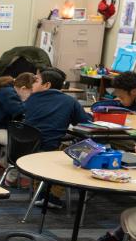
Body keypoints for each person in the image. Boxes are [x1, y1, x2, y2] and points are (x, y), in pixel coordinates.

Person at [24, 68, 93, 209]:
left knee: (49, 150)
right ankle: (53, 196)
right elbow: (83, 122)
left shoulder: (30, 98)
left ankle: (41, 192)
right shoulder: (69, 101)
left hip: (26, 148)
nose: (32, 84)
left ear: (47, 85)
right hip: (50, 149)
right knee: (85, 148)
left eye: (36, 80)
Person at [0, 72, 32, 176]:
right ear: (23, 88)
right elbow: (19, 111)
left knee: (17, 138)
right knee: (19, 142)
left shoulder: (7, 91)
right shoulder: (9, 93)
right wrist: (29, 103)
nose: (31, 96)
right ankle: (3, 166)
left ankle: (3, 167)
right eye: (31, 93)